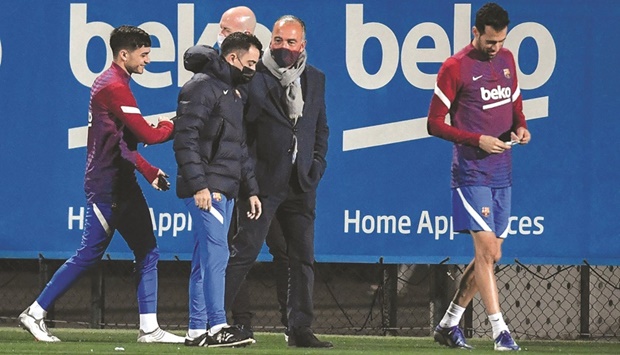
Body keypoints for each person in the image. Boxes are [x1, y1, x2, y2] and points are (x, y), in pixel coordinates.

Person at [18, 25, 182, 343]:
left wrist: (148, 171)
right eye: (144, 54)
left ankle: (149, 329)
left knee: (147, 251)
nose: (148, 60)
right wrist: (174, 123)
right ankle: (34, 313)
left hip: (123, 181)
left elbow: (123, 143)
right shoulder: (114, 87)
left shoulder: (113, 83)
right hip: (107, 187)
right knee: (89, 255)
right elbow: (147, 136)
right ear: (125, 54)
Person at [427, 2, 531, 351]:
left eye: (501, 41)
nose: (496, 48)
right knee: (485, 250)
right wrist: (477, 140)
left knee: (493, 254)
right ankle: (500, 332)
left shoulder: (508, 60)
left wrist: (522, 126)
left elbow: (515, 102)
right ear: (476, 32)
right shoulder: (454, 68)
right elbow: (434, 123)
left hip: (503, 171)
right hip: (471, 171)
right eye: (490, 41)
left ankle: (448, 323)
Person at [224, 15, 332, 348]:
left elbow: (320, 128)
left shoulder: (315, 78)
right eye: (278, 40)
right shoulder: (253, 76)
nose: (283, 47)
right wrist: (249, 181)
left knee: (301, 258)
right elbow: (240, 132)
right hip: (262, 184)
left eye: (291, 42)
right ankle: (215, 322)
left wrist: (316, 165)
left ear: (303, 45)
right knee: (244, 252)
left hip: (301, 183)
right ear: (270, 40)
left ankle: (299, 329)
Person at [174, 32, 263, 348]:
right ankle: (217, 326)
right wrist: (199, 184)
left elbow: (237, 147)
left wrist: (250, 189)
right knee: (217, 255)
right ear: (233, 57)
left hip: (224, 188)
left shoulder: (233, 92)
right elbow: (185, 138)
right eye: (250, 62)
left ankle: (197, 330)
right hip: (207, 189)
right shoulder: (201, 86)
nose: (253, 68)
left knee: (205, 258)